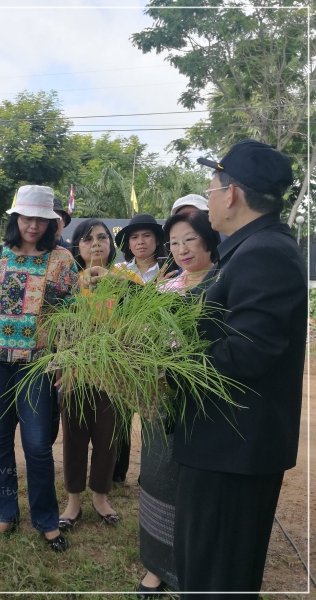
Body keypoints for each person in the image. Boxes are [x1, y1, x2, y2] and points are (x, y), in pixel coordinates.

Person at [173, 140, 306, 595]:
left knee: (217, 580)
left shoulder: (263, 253)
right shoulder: (250, 249)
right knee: (206, 571)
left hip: (233, 452)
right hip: (222, 447)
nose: (208, 196)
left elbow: (247, 352)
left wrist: (168, 361)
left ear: (231, 194)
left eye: (211, 186)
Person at [0, 185, 78, 552]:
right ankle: (5, 513)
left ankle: (47, 521)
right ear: (15, 218)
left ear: (52, 222)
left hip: (38, 365)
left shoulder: (63, 261)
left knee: (38, 446)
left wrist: (64, 362)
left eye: (41, 218)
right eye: (27, 217)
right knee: (0, 442)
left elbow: (73, 318)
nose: (33, 225)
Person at [136, 209, 220, 597]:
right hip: (161, 400)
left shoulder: (225, 285)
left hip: (208, 406)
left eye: (189, 239)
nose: (182, 249)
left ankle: (192, 566)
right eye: (174, 243)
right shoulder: (165, 290)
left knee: (199, 489)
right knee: (159, 477)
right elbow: (144, 342)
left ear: (208, 238)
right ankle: (156, 565)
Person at [57, 219, 132, 533]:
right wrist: (62, 371)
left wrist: (113, 284)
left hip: (112, 376)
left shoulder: (124, 279)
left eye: (103, 238)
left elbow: (138, 316)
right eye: (88, 239)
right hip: (75, 375)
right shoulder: (68, 281)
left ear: (112, 245)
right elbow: (57, 329)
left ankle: (101, 497)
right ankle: (73, 500)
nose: (97, 244)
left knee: (107, 439)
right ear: (78, 247)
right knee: (74, 437)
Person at [111, 213, 166, 483]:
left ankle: (150, 475)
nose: (141, 242)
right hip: (123, 351)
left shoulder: (170, 272)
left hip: (156, 354)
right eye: (134, 237)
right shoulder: (118, 273)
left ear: (157, 240)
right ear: (128, 244)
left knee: (152, 417)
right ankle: (116, 472)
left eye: (146, 236)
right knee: (120, 413)